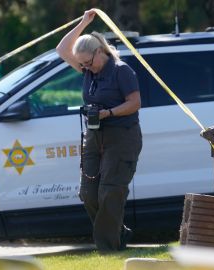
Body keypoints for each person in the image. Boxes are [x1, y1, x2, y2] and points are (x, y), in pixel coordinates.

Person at [56, 9, 142, 252]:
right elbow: (62, 50)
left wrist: (110, 112)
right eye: (82, 64)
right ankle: (117, 232)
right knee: (88, 193)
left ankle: (108, 249)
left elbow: (135, 103)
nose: (86, 67)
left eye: (88, 62)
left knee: (110, 193)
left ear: (99, 52)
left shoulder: (121, 70)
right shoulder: (88, 70)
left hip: (122, 136)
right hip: (94, 137)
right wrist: (84, 22)